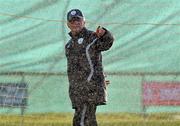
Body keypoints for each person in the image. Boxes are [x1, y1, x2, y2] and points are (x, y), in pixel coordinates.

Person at [65, 9, 114, 126]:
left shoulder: (92, 37)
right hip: (77, 91)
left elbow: (107, 42)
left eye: (78, 20)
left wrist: (105, 34)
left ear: (84, 21)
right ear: (68, 24)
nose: (75, 23)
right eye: (72, 21)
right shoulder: (69, 45)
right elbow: (74, 70)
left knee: (81, 121)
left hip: (89, 90)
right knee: (86, 120)